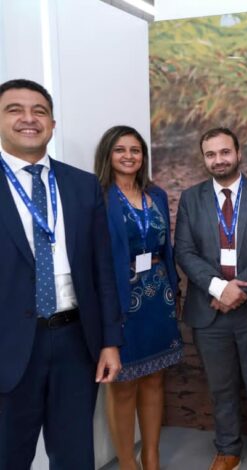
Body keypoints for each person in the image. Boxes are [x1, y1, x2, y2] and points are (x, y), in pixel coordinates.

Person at [0, 78, 122, 468]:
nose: (29, 118)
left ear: (52, 124)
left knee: (74, 456)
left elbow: (103, 270)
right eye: (15, 110)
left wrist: (110, 341)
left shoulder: (82, 185)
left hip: (76, 342)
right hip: (9, 346)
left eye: (39, 111)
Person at [175, 128, 247, 470]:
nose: (218, 160)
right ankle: (228, 449)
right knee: (221, 387)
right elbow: (184, 251)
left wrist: (240, 289)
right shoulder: (190, 198)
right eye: (211, 154)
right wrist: (219, 288)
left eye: (224, 152)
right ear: (203, 159)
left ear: (238, 153)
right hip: (209, 310)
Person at [94, 125, 183, 470]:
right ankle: (128, 463)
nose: (129, 156)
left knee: (155, 378)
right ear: (108, 155)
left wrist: (174, 288)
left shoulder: (155, 194)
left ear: (143, 156)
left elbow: (166, 247)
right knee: (123, 384)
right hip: (121, 297)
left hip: (158, 296)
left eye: (135, 150)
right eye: (120, 150)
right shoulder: (99, 196)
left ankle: (151, 457)